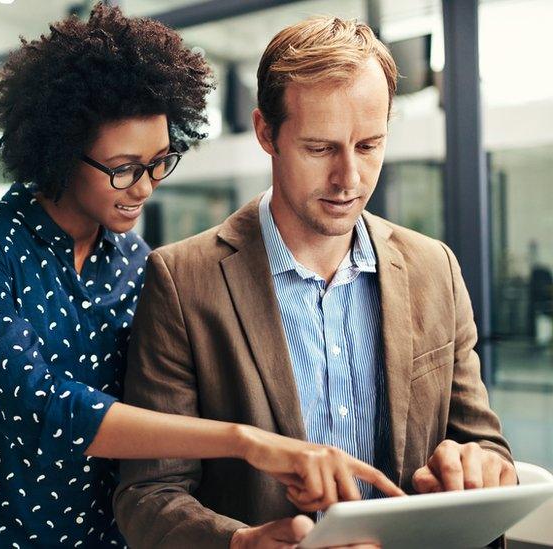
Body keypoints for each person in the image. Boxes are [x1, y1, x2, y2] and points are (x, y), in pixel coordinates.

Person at [0, 6, 402, 548]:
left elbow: (157, 415)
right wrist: (246, 441)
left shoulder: (133, 260)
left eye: (158, 163)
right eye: (123, 168)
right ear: (59, 151)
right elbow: (37, 405)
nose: (145, 187)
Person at [113, 16, 515, 548]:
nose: (349, 179)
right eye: (321, 149)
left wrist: (479, 466)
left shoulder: (434, 268)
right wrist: (242, 543)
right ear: (265, 133)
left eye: (369, 146)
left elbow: (485, 445)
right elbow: (149, 493)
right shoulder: (183, 281)